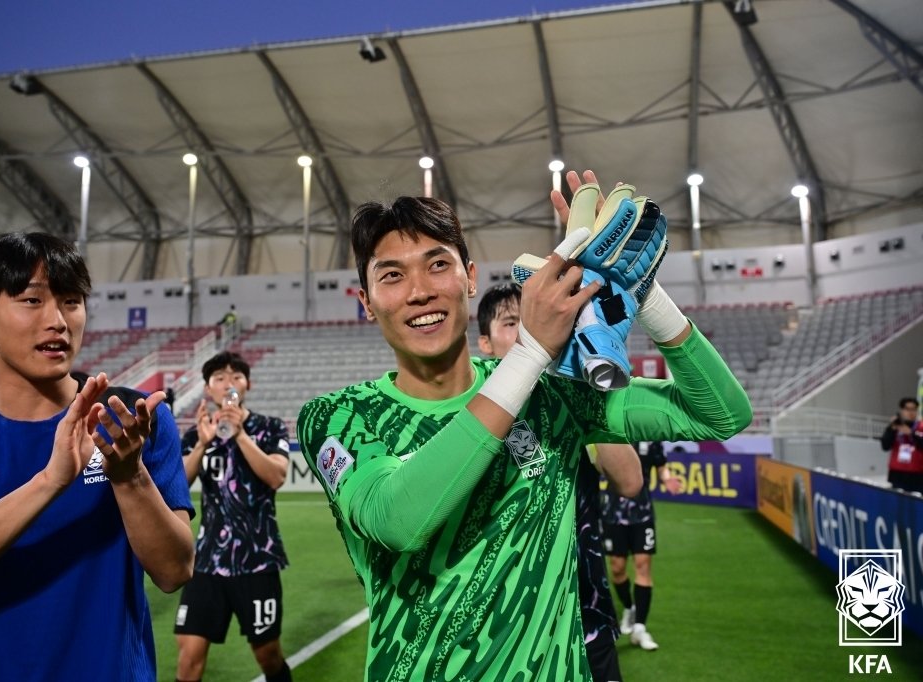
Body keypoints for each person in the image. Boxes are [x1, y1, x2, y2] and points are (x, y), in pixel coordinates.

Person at [296, 168, 752, 681]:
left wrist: (640, 290)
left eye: (437, 265)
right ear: (366, 302)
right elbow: (399, 521)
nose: (419, 291)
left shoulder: (549, 391)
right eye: (392, 275)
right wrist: (532, 350)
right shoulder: (337, 416)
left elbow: (720, 413)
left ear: (469, 277)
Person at [0, 232, 195, 682]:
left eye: (71, 301)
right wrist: (50, 480)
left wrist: (128, 475)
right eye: (31, 301)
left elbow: (175, 570)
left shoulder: (132, 418)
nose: (57, 319)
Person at [476, 283, 641, 682]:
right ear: (485, 343)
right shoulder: (473, 415)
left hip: (587, 614)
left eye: (530, 320)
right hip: (509, 631)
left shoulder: (568, 397)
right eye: (512, 323)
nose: (525, 331)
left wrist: (585, 394)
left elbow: (630, 480)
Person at [174, 351, 292, 682]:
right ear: (208, 390)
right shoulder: (196, 434)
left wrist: (239, 434)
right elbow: (177, 484)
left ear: (248, 385)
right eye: (220, 379)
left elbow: (276, 476)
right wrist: (201, 445)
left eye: (236, 377)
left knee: (268, 655)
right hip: (207, 561)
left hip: (257, 559)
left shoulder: (268, 428)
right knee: (189, 656)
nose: (229, 384)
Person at [601, 440, 681, 651]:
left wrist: (668, 479)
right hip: (613, 513)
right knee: (617, 569)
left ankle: (640, 628)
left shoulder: (652, 439)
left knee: (643, 566)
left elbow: (661, 467)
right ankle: (629, 607)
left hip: (642, 513)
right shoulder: (611, 433)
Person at [879, 397, 923, 493]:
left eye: (914, 409)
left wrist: (911, 433)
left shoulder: (921, 427)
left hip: (918, 475)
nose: (910, 412)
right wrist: (892, 428)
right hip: (898, 475)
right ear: (902, 411)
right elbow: (885, 446)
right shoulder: (895, 426)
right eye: (907, 409)